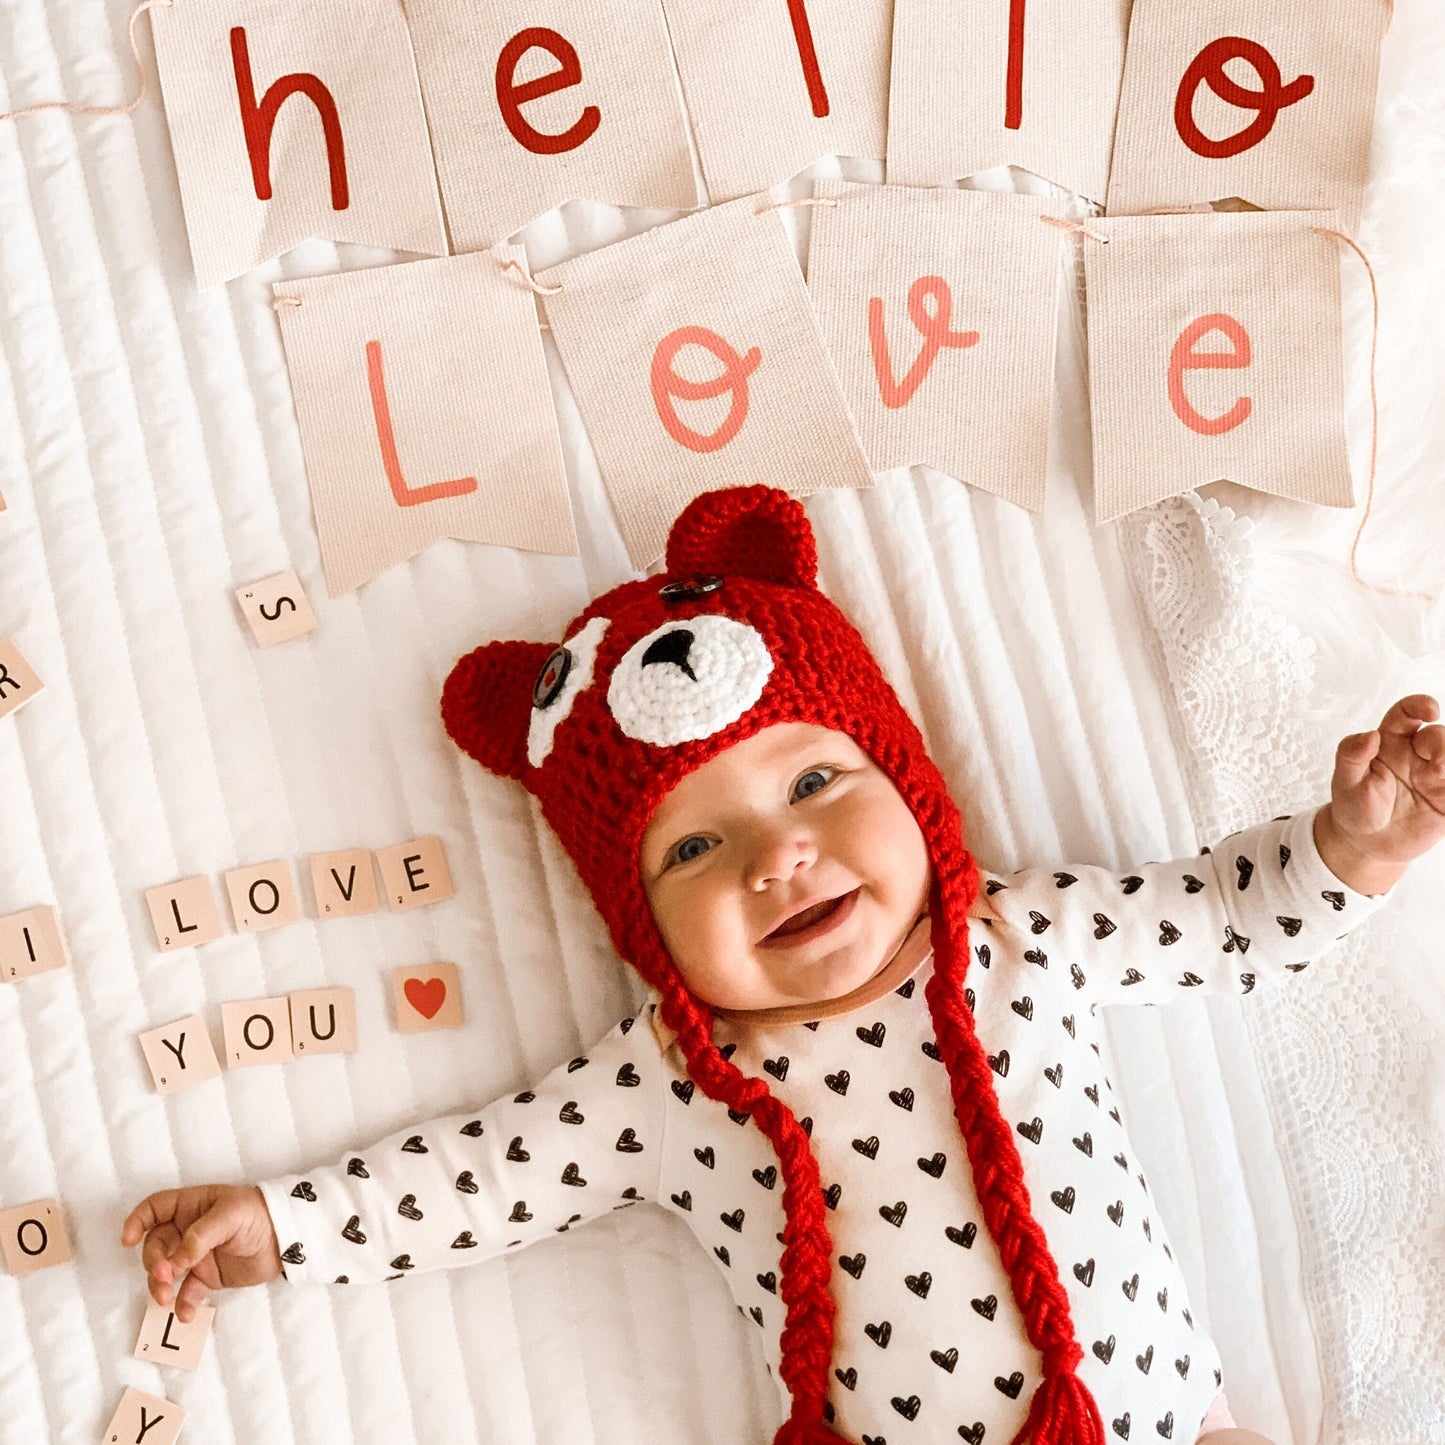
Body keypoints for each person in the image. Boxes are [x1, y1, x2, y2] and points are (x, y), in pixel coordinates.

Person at [122, 485, 1444, 1445]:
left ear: (907, 780)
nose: (780, 856)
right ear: (639, 922)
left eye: (815, 778)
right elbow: (478, 1175)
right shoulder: (672, 1081)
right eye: (695, 844)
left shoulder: (1012, 936)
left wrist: (1353, 844)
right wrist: (285, 1223)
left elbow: (1218, 920)